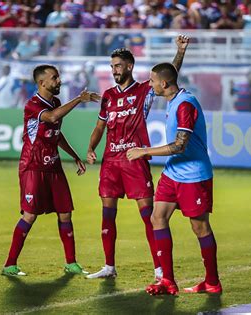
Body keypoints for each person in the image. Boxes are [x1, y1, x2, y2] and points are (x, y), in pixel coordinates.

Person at [85, 35, 189, 280]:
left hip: (134, 159)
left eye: (118, 66)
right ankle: (109, 267)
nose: (114, 71)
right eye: (111, 67)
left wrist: (180, 51)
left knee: (149, 216)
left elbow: (169, 75)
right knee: (107, 213)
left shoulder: (144, 91)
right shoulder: (108, 96)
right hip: (110, 162)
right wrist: (91, 148)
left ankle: (159, 268)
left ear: (129, 66)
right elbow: (100, 127)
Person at [127, 62, 221, 296]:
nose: (150, 84)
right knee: (157, 218)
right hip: (172, 174)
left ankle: (212, 282)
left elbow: (180, 145)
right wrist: (180, 52)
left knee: (199, 227)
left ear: (164, 83)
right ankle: (167, 281)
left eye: (152, 81)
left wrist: (145, 151)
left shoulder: (185, 105)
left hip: (193, 176)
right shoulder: (174, 100)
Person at [1, 64, 101, 277]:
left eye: (59, 77)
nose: (59, 81)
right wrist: (78, 99)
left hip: (53, 165)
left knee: (65, 213)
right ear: (42, 83)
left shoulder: (54, 102)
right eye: (55, 78)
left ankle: (71, 263)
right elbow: (52, 118)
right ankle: (10, 265)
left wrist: (74, 155)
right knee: (30, 215)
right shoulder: (33, 105)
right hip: (33, 166)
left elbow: (56, 132)